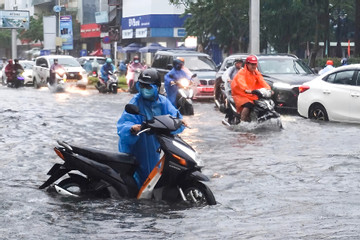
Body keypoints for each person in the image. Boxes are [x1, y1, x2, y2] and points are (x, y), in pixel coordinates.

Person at [117, 68, 186, 188]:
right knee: (136, 184)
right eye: (142, 86)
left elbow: (174, 116)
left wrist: (180, 121)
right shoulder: (135, 102)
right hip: (137, 149)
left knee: (156, 178)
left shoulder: (163, 102)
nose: (145, 90)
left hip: (156, 147)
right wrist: (132, 128)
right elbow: (124, 124)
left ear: (157, 87)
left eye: (148, 87)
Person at [231, 55, 271, 122]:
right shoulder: (242, 72)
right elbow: (241, 82)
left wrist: (268, 89)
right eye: (251, 64)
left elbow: (262, 82)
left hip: (253, 94)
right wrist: (246, 89)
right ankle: (242, 121)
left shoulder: (256, 73)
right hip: (241, 94)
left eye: (255, 64)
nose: (253, 66)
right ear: (247, 64)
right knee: (248, 105)